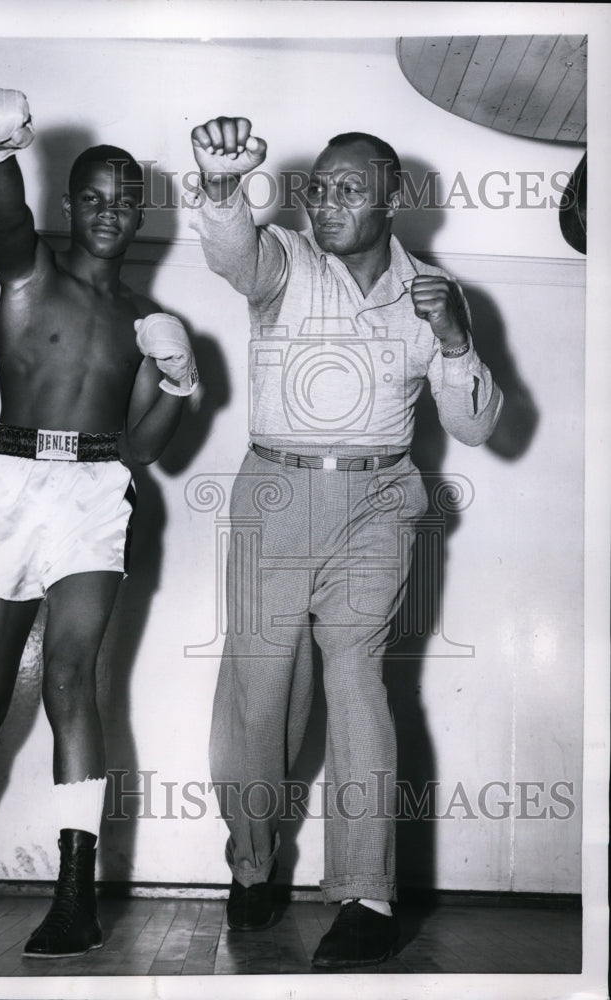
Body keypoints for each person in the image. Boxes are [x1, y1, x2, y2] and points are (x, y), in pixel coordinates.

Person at [188, 116, 502, 969]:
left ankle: (366, 896)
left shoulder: (432, 292)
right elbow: (230, 253)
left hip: (379, 502)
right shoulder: (284, 262)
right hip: (277, 490)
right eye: (317, 187)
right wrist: (220, 189)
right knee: (260, 694)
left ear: (393, 198)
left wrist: (458, 340)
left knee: (359, 680)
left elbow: (473, 428)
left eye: (348, 188)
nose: (325, 201)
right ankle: (253, 863)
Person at [0, 88, 198, 959]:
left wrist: (183, 383)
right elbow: (3, 219)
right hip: (11, 482)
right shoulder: (29, 272)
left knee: (74, 679)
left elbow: (146, 448)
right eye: (94, 197)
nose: (111, 212)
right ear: (70, 206)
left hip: (94, 492)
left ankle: (74, 895)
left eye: (126, 199)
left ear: (141, 212)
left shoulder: (143, 323)